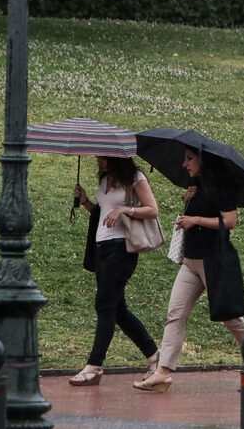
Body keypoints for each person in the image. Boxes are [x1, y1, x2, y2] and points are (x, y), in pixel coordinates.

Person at [135, 146, 244, 392]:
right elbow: (199, 212)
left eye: (189, 159)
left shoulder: (220, 186)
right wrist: (190, 201)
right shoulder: (196, 187)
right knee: (175, 313)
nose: (184, 164)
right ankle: (163, 372)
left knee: (230, 317)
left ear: (203, 160)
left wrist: (194, 219)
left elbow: (230, 221)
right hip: (191, 260)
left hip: (214, 260)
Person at [69, 156, 161, 386]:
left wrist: (124, 210)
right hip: (102, 249)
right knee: (118, 309)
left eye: (103, 157)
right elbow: (102, 213)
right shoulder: (105, 180)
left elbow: (152, 210)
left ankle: (94, 366)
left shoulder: (135, 179)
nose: (99, 160)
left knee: (104, 304)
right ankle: (154, 355)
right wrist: (85, 201)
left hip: (122, 248)